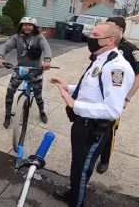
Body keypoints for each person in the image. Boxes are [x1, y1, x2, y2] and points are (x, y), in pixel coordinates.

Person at [50, 22, 134, 207]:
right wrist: (69, 87)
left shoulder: (116, 68)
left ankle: (76, 202)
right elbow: (92, 90)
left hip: (94, 129)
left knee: (81, 170)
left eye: (95, 34)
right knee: (77, 165)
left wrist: (74, 104)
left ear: (110, 40)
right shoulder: (101, 58)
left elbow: (113, 109)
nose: (90, 37)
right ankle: (73, 193)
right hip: (82, 124)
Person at [95, 17, 139, 174]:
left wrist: (127, 98)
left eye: (110, 26)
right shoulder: (103, 44)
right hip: (98, 96)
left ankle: (105, 159)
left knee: (109, 130)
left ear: (120, 30)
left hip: (116, 99)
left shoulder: (131, 49)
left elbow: (138, 75)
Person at [0, 17, 52, 129]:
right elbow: (5, 46)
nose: (27, 26)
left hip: (36, 70)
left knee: (38, 95)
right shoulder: (16, 38)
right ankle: (7, 115)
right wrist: (0, 57)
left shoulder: (39, 37)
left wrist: (47, 60)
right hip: (20, 69)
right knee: (10, 92)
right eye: (24, 24)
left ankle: (42, 112)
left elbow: (46, 48)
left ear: (34, 27)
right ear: (21, 26)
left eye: (29, 25)